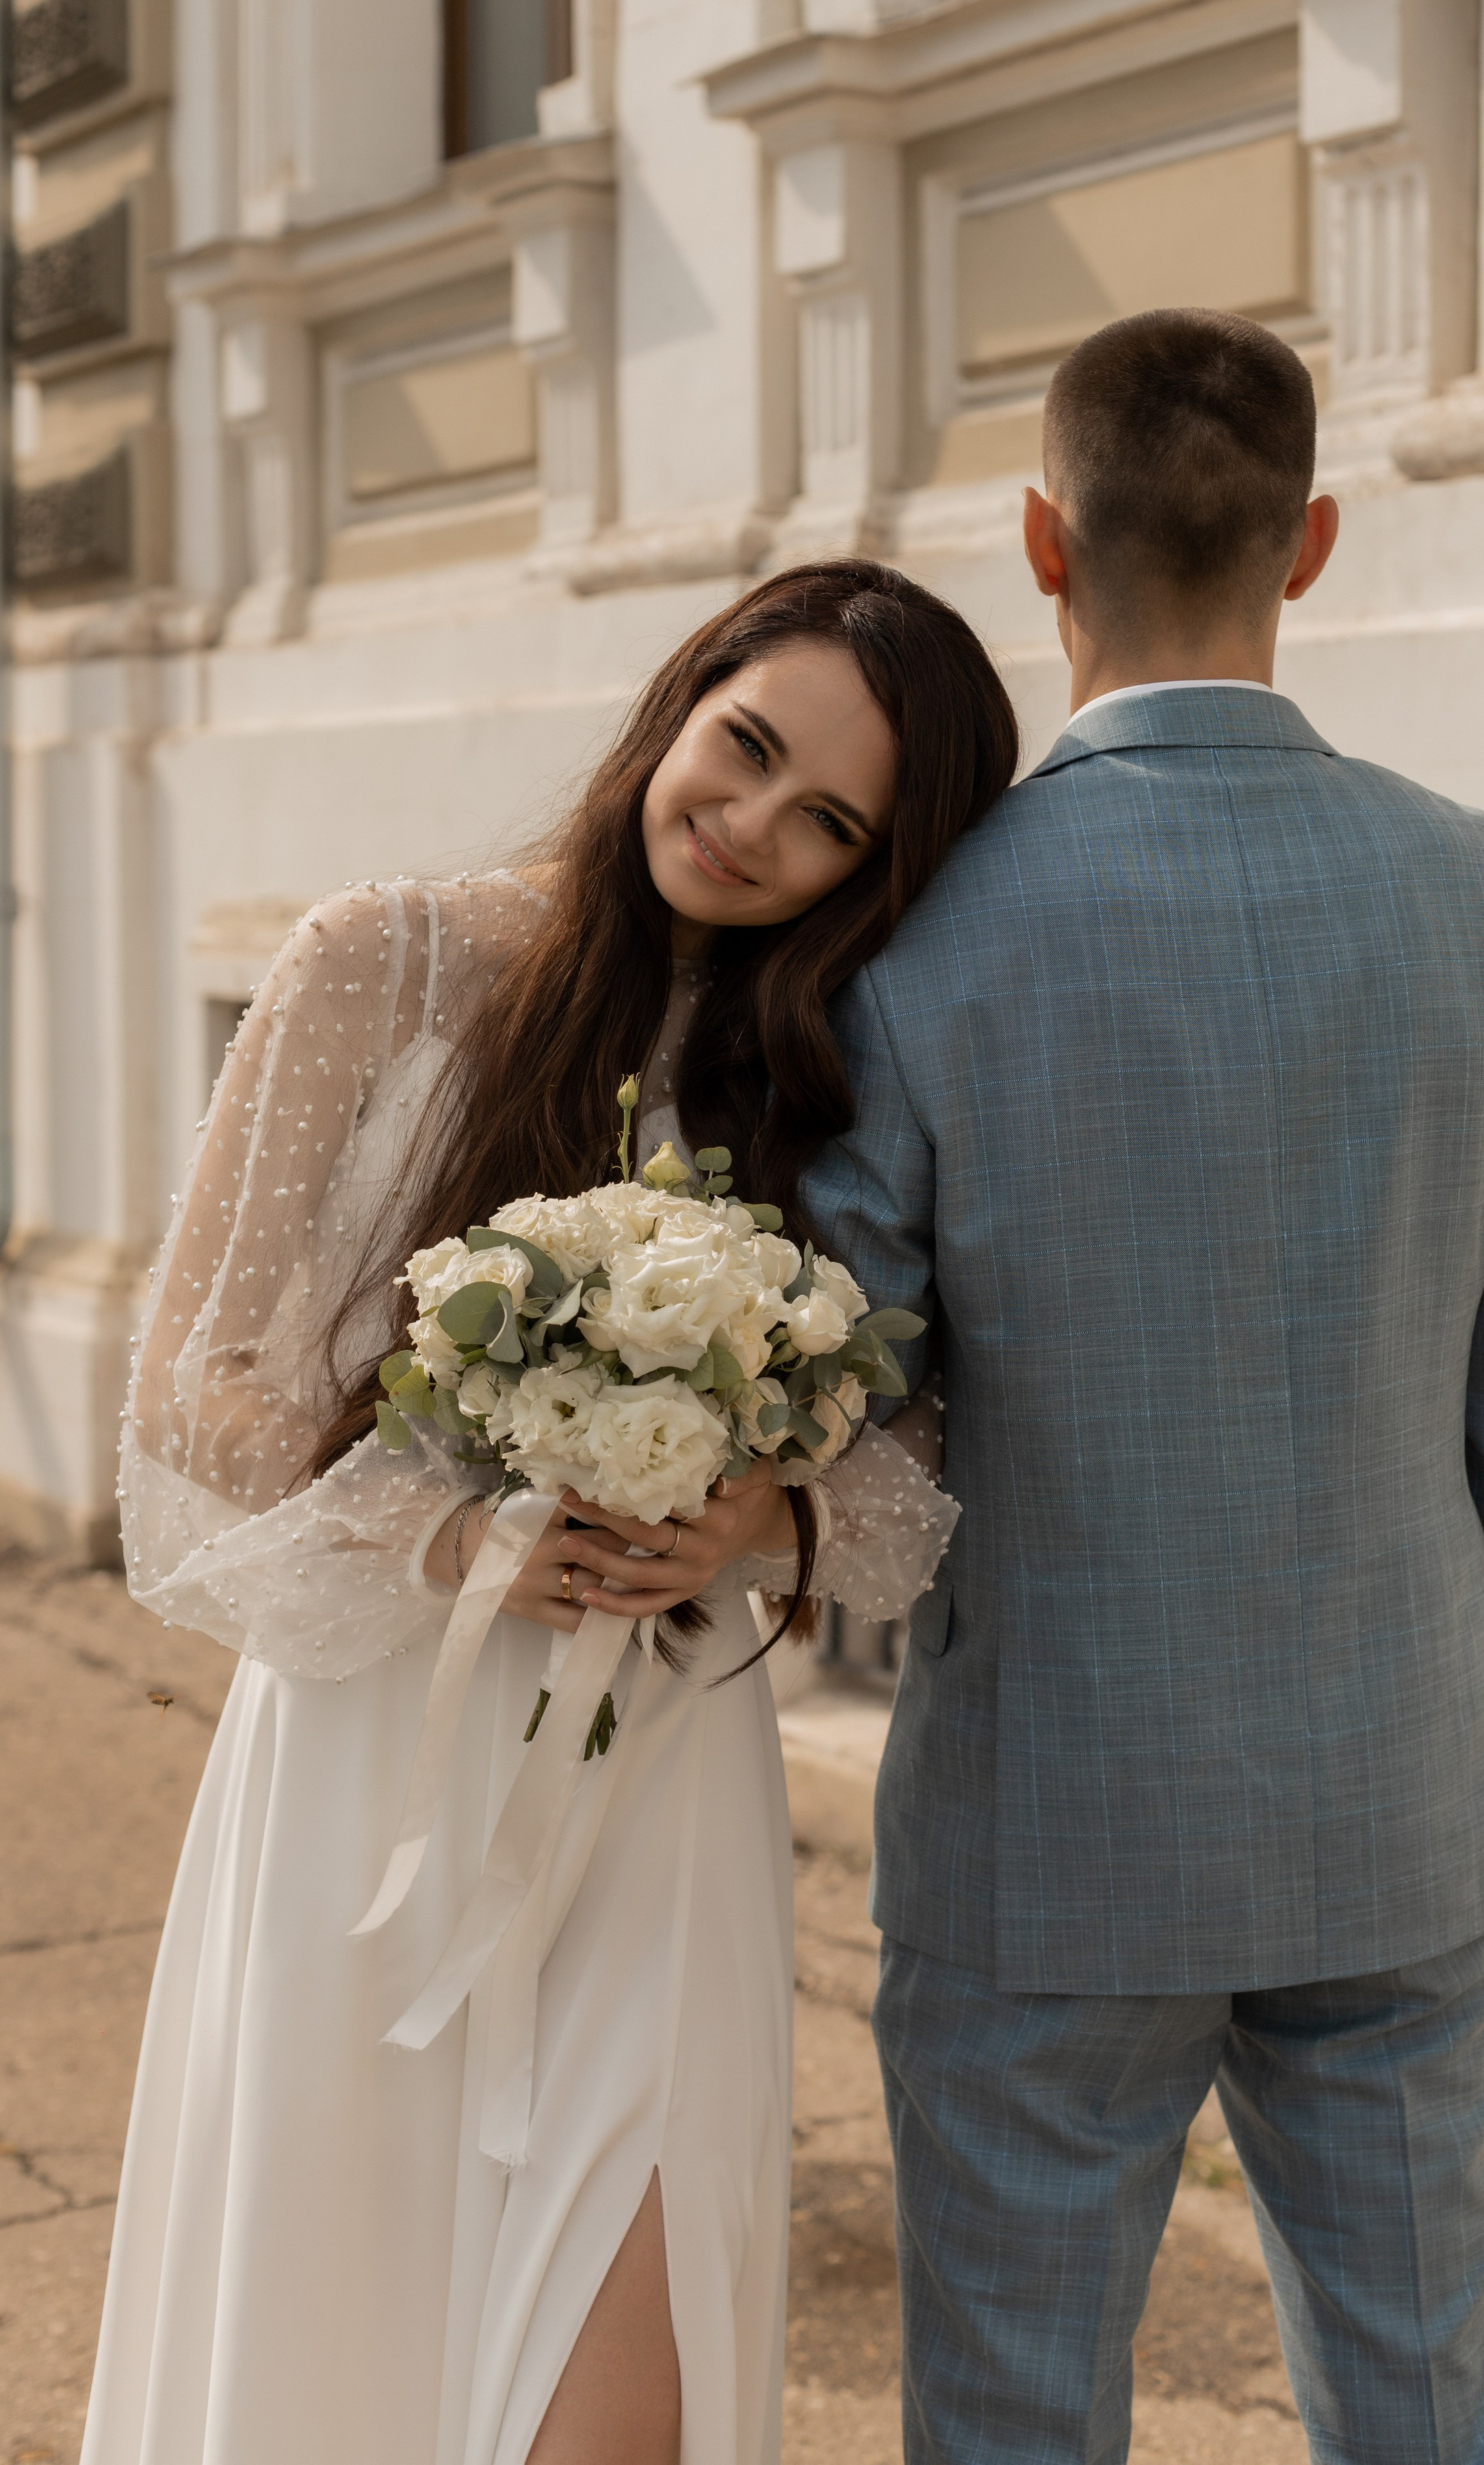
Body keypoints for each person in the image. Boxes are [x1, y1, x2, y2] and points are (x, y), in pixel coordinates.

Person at [83, 560, 1015, 2465]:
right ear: (686, 699)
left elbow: (910, 1475)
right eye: (745, 750)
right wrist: (447, 1527)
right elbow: (196, 1373)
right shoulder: (388, 957)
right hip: (379, 1750)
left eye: (827, 822)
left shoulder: (821, 1071)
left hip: (661, 1773)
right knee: (341, 2326)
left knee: (623, 2387)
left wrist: (761, 1522)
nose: (752, 828)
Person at [807, 309, 1484, 2464]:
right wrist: (1475, 1738)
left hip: (1039, 1823)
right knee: (1429, 2400)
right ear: (1316, 537)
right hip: (1400, 1793)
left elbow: (835, 1392)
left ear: (1042, 546)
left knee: (1009, 2413)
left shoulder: (920, 935)